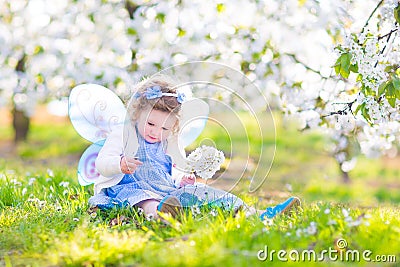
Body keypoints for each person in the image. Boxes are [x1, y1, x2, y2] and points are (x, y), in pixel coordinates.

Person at [88, 75, 300, 220]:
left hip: (167, 191)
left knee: (204, 192)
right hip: (132, 188)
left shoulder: (168, 141)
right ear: (136, 114)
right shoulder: (124, 134)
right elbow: (101, 163)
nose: (155, 132)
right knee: (145, 200)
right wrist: (120, 164)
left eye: (164, 127)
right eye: (150, 124)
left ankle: (257, 213)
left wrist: (182, 179)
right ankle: (161, 216)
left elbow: (173, 168)